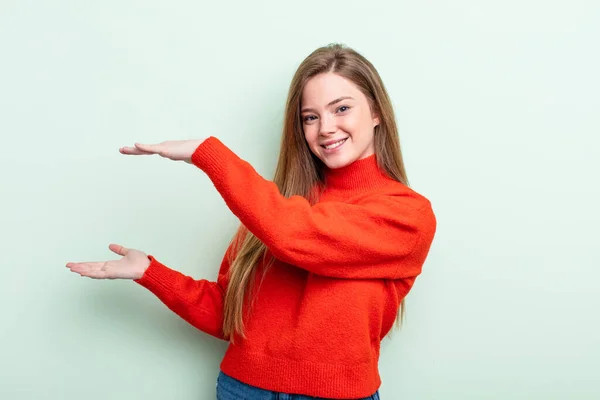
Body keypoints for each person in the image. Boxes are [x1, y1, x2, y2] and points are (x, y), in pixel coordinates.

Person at [66, 43, 437, 400]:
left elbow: (296, 235)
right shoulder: (268, 210)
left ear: (376, 113)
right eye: (311, 117)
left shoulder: (406, 214)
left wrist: (207, 154)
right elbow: (229, 317)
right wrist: (150, 272)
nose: (325, 128)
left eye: (341, 109)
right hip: (241, 389)